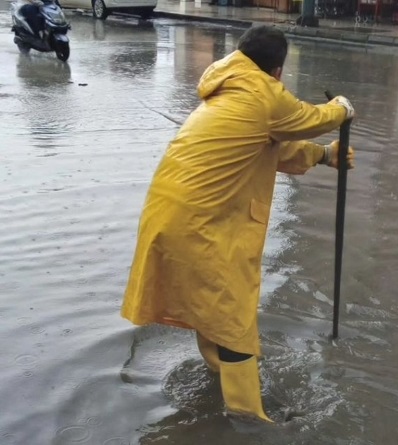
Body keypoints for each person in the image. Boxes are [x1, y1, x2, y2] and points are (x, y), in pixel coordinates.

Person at [121, 25, 356, 424]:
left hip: (169, 216)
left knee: (211, 306)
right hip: (201, 225)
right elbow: (307, 118)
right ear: (277, 71)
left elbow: (269, 147)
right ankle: (249, 419)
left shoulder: (233, 91)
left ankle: (221, 376)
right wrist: (342, 109)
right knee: (233, 318)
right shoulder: (264, 94)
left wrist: (324, 157)